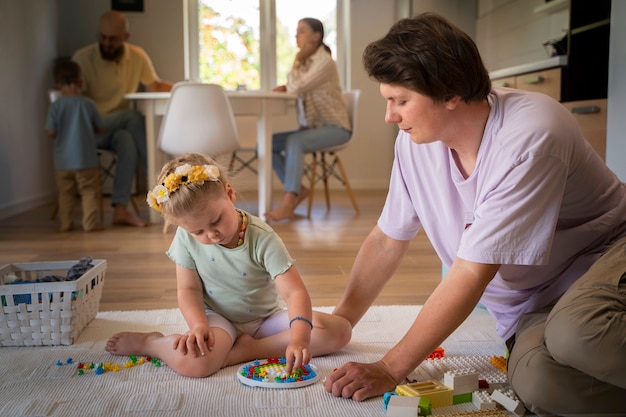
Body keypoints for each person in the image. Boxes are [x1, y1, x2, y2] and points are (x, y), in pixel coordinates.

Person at [323, 12, 626, 416]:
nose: (390, 116)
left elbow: (470, 273)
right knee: (539, 384)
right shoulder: (414, 143)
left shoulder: (531, 134)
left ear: (450, 93)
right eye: (387, 100)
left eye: (401, 101)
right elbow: (387, 238)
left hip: (606, 256)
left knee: (579, 335)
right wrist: (342, 319)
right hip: (537, 300)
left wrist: (390, 367)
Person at [105, 152, 351, 377]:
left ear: (230, 193)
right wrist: (198, 325)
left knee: (339, 330)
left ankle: (250, 350)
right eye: (198, 231)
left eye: (216, 220)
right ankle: (152, 343)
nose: (211, 235)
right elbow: (188, 290)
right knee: (195, 365)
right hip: (217, 319)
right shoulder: (185, 237)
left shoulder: (262, 237)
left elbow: (294, 291)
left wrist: (299, 339)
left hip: (264, 319)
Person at [72, 10, 173, 227]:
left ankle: (120, 209)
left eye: (113, 39)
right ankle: (165, 190)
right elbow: (73, 106)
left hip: (117, 128)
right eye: (103, 37)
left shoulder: (136, 56)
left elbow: (154, 85)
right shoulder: (82, 59)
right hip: (88, 130)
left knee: (127, 139)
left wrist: (185, 88)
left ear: (125, 37)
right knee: (134, 118)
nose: (107, 43)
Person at [265, 18, 351, 222]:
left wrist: (295, 61)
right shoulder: (307, 64)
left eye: (302, 31)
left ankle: (289, 200)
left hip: (336, 128)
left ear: (316, 36)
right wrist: (288, 83)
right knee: (266, 143)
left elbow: (297, 86)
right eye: (296, 31)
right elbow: (294, 85)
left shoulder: (325, 62)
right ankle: (298, 189)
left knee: (295, 141)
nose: (297, 36)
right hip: (312, 129)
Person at [45, 58, 106, 233]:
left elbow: (50, 132)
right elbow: (101, 127)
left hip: (62, 161)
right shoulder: (88, 104)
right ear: (80, 82)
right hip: (86, 159)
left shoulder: (56, 106)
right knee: (88, 191)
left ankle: (66, 224)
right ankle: (89, 223)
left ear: (57, 84)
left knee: (65, 193)